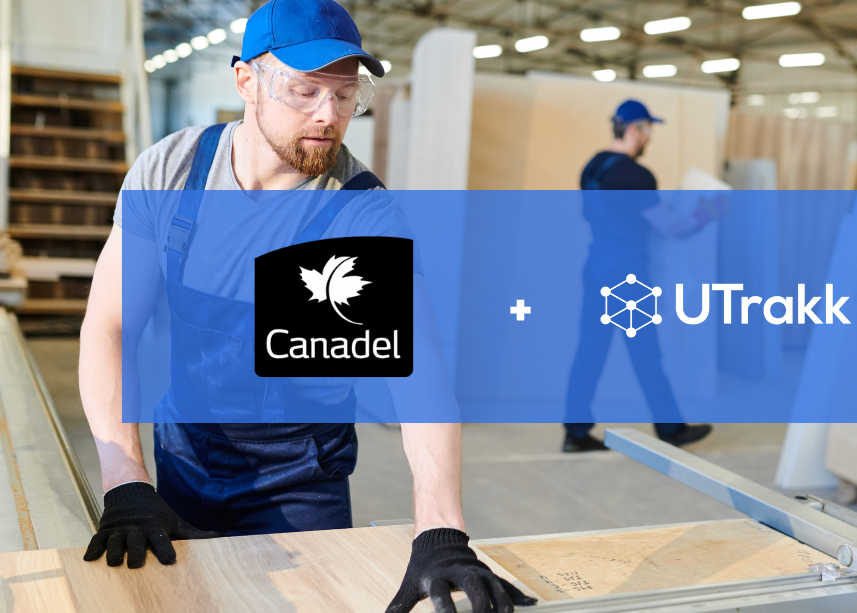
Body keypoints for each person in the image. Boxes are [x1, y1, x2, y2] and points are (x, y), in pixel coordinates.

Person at [79, 2, 535, 612]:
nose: (329, 115)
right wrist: (125, 480)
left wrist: (442, 530)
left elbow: (419, 374)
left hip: (300, 484)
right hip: (183, 462)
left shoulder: (362, 215)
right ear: (246, 81)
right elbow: (110, 327)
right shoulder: (171, 172)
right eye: (305, 90)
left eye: (346, 96)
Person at [563, 99, 723, 453]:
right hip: (626, 273)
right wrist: (708, 211)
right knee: (645, 352)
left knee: (589, 349)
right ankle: (670, 429)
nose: (649, 138)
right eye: (648, 130)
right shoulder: (636, 175)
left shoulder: (592, 166)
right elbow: (671, 227)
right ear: (635, 129)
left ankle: (574, 433)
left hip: (596, 265)